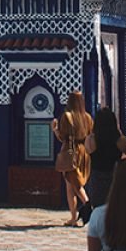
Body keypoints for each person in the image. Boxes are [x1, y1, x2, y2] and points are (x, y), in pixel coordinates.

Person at [52, 91, 93, 226]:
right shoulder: (87, 118)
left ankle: (88, 206)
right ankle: (73, 217)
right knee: (70, 185)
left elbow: (63, 137)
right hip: (84, 152)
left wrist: (55, 129)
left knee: (74, 183)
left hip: (71, 153)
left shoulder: (67, 117)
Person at [85, 107, 126, 208]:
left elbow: (87, 150)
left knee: (98, 206)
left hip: (97, 177)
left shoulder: (92, 139)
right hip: (114, 175)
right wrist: (119, 132)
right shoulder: (118, 139)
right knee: (115, 206)